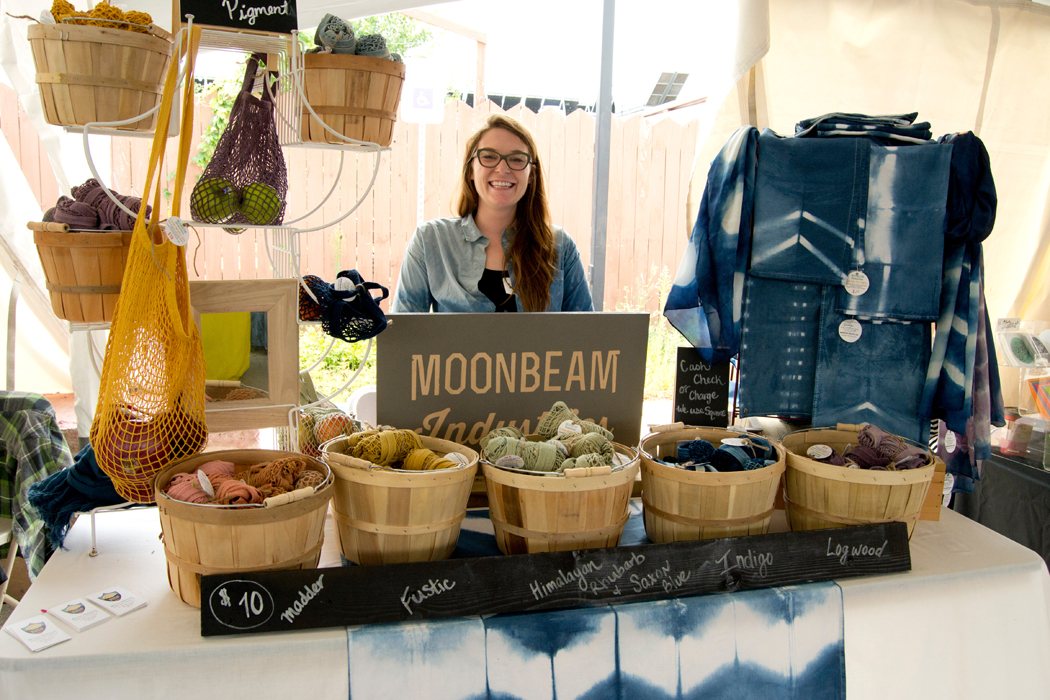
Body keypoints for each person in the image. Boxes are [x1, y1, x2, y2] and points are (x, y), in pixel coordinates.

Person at [390, 114, 594, 313]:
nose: (502, 168)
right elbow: (405, 336)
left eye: (516, 159)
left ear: (531, 174)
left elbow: (587, 336)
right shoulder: (430, 240)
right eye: (488, 156)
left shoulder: (560, 246)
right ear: (471, 170)